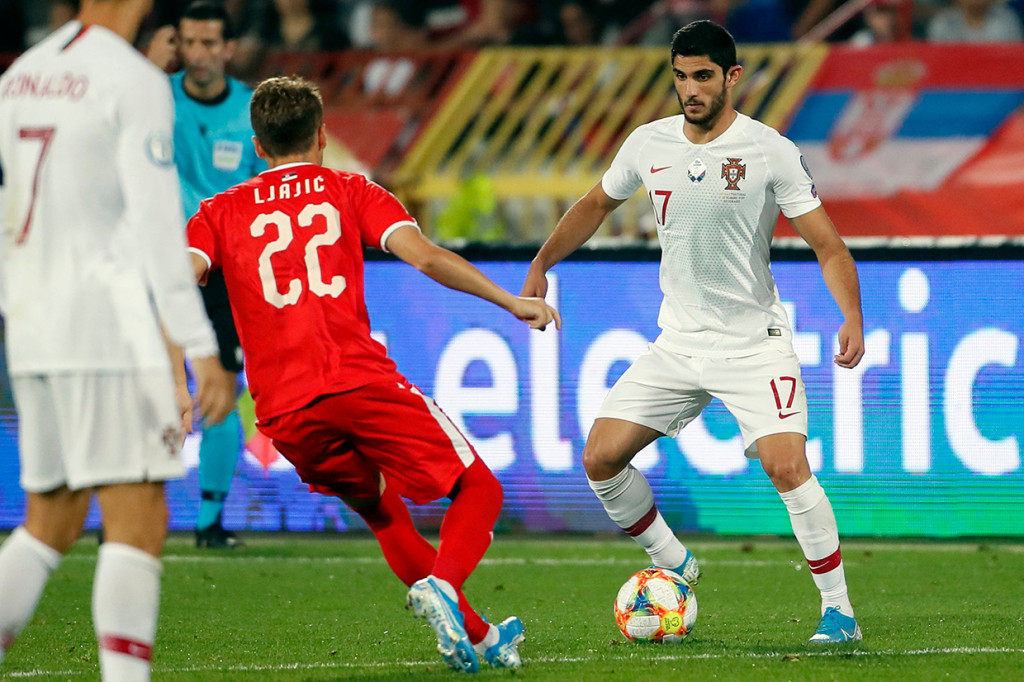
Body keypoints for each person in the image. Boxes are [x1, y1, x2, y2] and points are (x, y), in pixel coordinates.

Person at [186, 75, 559, 672]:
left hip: (284, 413)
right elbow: (428, 257)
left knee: (383, 509)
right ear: (323, 135)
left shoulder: (218, 211)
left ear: (257, 146)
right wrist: (512, 303)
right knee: (478, 488)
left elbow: (176, 280)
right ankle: (444, 584)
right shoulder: (350, 190)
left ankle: (479, 635)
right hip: (356, 380)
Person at [521, 20, 865, 644]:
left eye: (703, 76)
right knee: (600, 459)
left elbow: (829, 247)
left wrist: (852, 316)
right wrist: (542, 263)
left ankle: (838, 611)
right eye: (681, 77)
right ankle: (673, 561)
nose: (690, 89)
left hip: (752, 343)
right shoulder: (647, 144)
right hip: (677, 344)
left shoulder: (770, 150)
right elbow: (596, 205)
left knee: (788, 467)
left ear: (733, 77)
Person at [0, 0, 235, 679]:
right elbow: (160, 228)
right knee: (138, 520)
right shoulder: (130, 80)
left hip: (35, 325)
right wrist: (198, 345)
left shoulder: (23, 74)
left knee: (51, 522)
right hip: (104, 327)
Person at [164, 0, 267, 549]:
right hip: (158, 265)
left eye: (209, 44)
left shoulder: (250, 110)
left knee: (221, 390)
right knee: (146, 384)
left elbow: (257, 195)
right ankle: (126, 508)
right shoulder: (154, 101)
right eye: (189, 43)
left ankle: (209, 521)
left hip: (225, 272)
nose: (198, 55)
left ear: (228, 49)